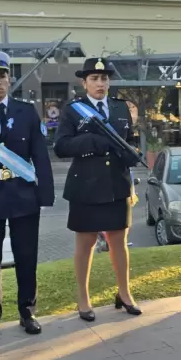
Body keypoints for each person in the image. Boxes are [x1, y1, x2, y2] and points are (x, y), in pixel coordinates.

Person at [0, 50, 54, 339]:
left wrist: (45, 195)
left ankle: (27, 311)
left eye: (2, 76)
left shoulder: (26, 111)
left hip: (22, 194)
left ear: (9, 79)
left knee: (26, 256)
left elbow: (40, 156)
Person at [54, 57, 141, 322]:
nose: (100, 83)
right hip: (86, 185)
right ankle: (83, 299)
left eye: (104, 79)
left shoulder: (121, 108)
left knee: (118, 242)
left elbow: (131, 142)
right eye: (94, 79)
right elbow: (61, 147)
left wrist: (133, 155)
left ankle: (124, 294)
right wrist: (94, 141)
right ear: (84, 83)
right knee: (85, 243)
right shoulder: (73, 110)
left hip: (117, 182)